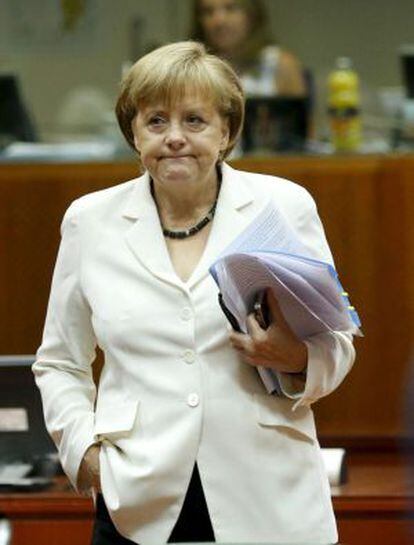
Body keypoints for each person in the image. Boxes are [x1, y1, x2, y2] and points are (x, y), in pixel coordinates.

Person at [33, 41, 355, 544]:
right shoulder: (89, 221)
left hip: (269, 498)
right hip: (138, 499)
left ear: (226, 132)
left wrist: (292, 359)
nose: (175, 138)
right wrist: (85, 456)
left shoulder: (283, 207)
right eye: (156, 121)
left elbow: (338, 344)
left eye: (195, 121)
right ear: (133, 134)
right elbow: (60, 363)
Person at [190, 0, 307, 97]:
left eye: (231, 8)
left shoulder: (281, 64)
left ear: (252, 15)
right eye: (208, 12)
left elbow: (302, 122)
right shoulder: (193, 66)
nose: (219, 21)